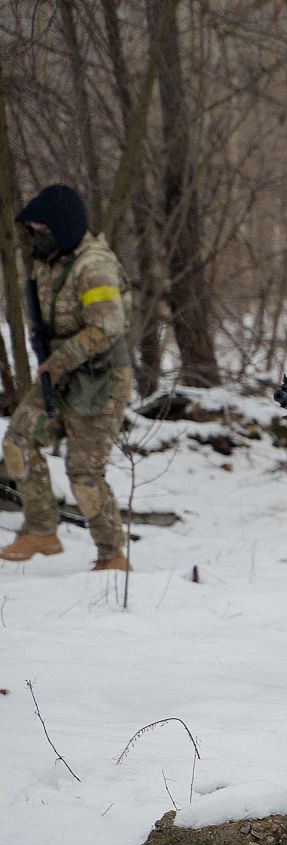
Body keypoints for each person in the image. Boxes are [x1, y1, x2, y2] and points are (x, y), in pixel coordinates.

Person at [1, 184, 133, 570]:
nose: (37, 238)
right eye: (34, 231)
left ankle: (112, 556)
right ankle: (41, 530)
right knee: (18, 442)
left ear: (63, 227)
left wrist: (59, 360)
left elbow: (107, 327)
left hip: (100, 380)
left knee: (84, 475)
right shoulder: (51, 262)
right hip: (59, 373)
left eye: (43, 229)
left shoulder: (94, 267)